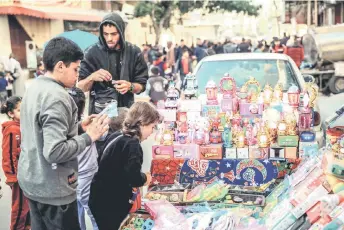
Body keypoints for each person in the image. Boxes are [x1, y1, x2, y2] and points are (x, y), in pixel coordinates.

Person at [17, 37, 109, 230]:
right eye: (75, 69)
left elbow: (42, 133)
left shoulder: (34, 87)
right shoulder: (57, 96)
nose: (78, 75)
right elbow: (54, 151)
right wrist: (89, 136)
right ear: (60, 66)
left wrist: (79, 127)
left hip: (34, 182)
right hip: (54, 189)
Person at [89, 101, 158, 230]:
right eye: (152, 127)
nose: (152, 132)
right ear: (142, 123)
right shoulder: (133, 145)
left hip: (99, 197)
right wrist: (145, 178)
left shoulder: (118, 135)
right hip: (111, 204)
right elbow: (134, 178)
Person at [78, 12, 148, 114]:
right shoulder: (91, 52)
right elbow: (80, 87)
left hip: (126, 113)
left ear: (121, 32)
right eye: (106, 34)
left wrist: (130, 86)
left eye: (114, 34)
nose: (109, 38)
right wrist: (92, 77)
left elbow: (142, 86)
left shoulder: (134, 52)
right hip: (99, 115)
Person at [67, 87, 99, 230]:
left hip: (74, 173)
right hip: (88, 170)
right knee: (91, 208)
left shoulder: (66, 125)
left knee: (78, 208)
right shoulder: (85, 124)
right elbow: (101, 136)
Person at [1, 96, 30, 230]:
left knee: (28, 205)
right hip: (18, 178)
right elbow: (8, 155)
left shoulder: (23, 126)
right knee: (19, 208)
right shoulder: (12, 130)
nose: (23, 112)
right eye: (19, 110)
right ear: (11, 113)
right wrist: (12, 177)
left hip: (27, 175)